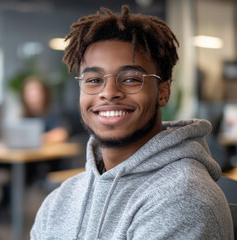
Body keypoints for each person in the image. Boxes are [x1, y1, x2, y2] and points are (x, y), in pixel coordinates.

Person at [31, 6, 233, 239]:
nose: (108, 92)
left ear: (163, 92)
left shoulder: (183, 199)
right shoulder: (58, 201)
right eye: (94, 80)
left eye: (130, 79)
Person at [20, 75, 69, 144]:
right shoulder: (25, 115)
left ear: (44, 94)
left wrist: (36, 139)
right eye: (30, 94)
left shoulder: (54, 110)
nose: (34, 98)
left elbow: (61, 134)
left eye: (36, 94)